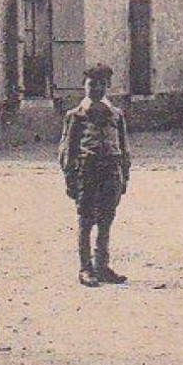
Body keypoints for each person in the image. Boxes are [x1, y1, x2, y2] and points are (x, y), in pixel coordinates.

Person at [59, 63, 131, 287]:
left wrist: (124, 175)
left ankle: (102, 266)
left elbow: (124, 146)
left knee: (106, 219)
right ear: (84, 85)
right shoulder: (76, 116)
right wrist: (70, 178)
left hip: (111, 171)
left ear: (108, 86)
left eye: (101, 85)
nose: (96, 89)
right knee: (86, 219)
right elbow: (68, 150)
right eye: (92, 84)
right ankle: (85, 268)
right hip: (87, 171)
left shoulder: (116, 115)